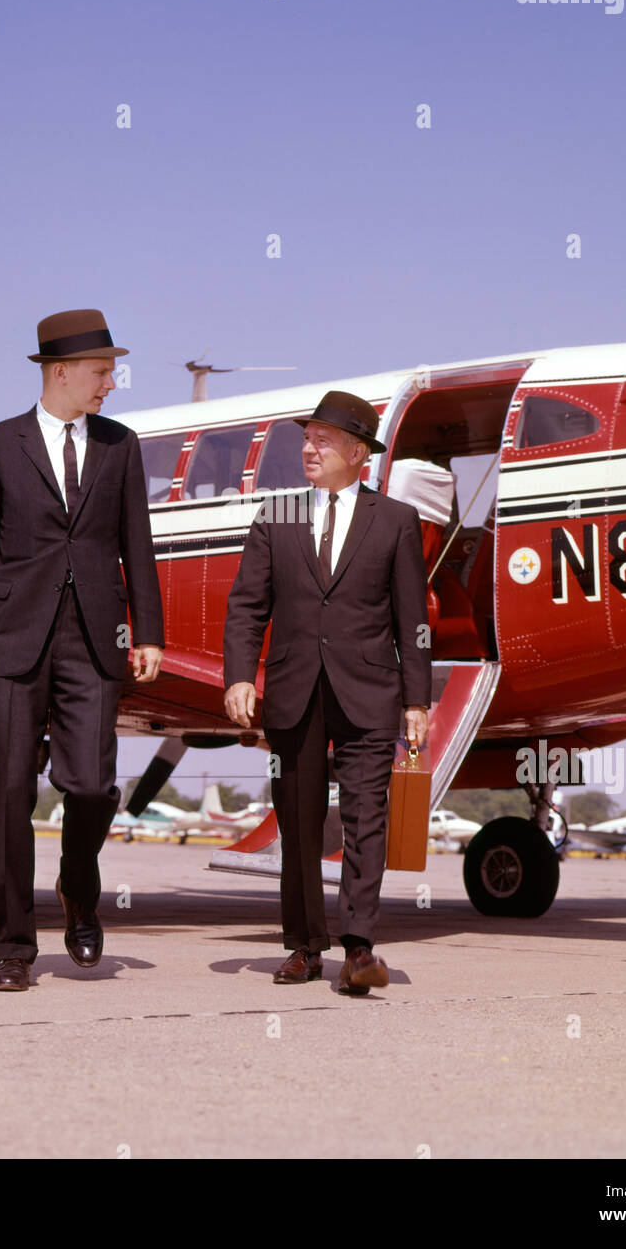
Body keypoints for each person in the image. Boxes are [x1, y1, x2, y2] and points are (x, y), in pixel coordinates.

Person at [0, 309, 164, 992]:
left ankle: (77, 884)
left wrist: (148, 630)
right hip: (12, 638)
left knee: (92, 785)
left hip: (95, 639)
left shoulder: (120, 446)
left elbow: (138, 543)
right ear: (60, 372)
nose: (110, 385)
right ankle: (13, 950)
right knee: (8, 795)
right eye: (101, 373)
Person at [223, 390, 431, 994]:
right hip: (293, 689)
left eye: (322, 439)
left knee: (367, 819)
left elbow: (412, 618)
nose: (308, 448)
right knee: (300, 820)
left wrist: (416, 699)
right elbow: (246, 607)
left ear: (357, 453)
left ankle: (360, 947)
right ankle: (304, 947)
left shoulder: (395, 520)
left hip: (369, 691)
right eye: (306, 437)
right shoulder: (277, 514)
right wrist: (240, 675)